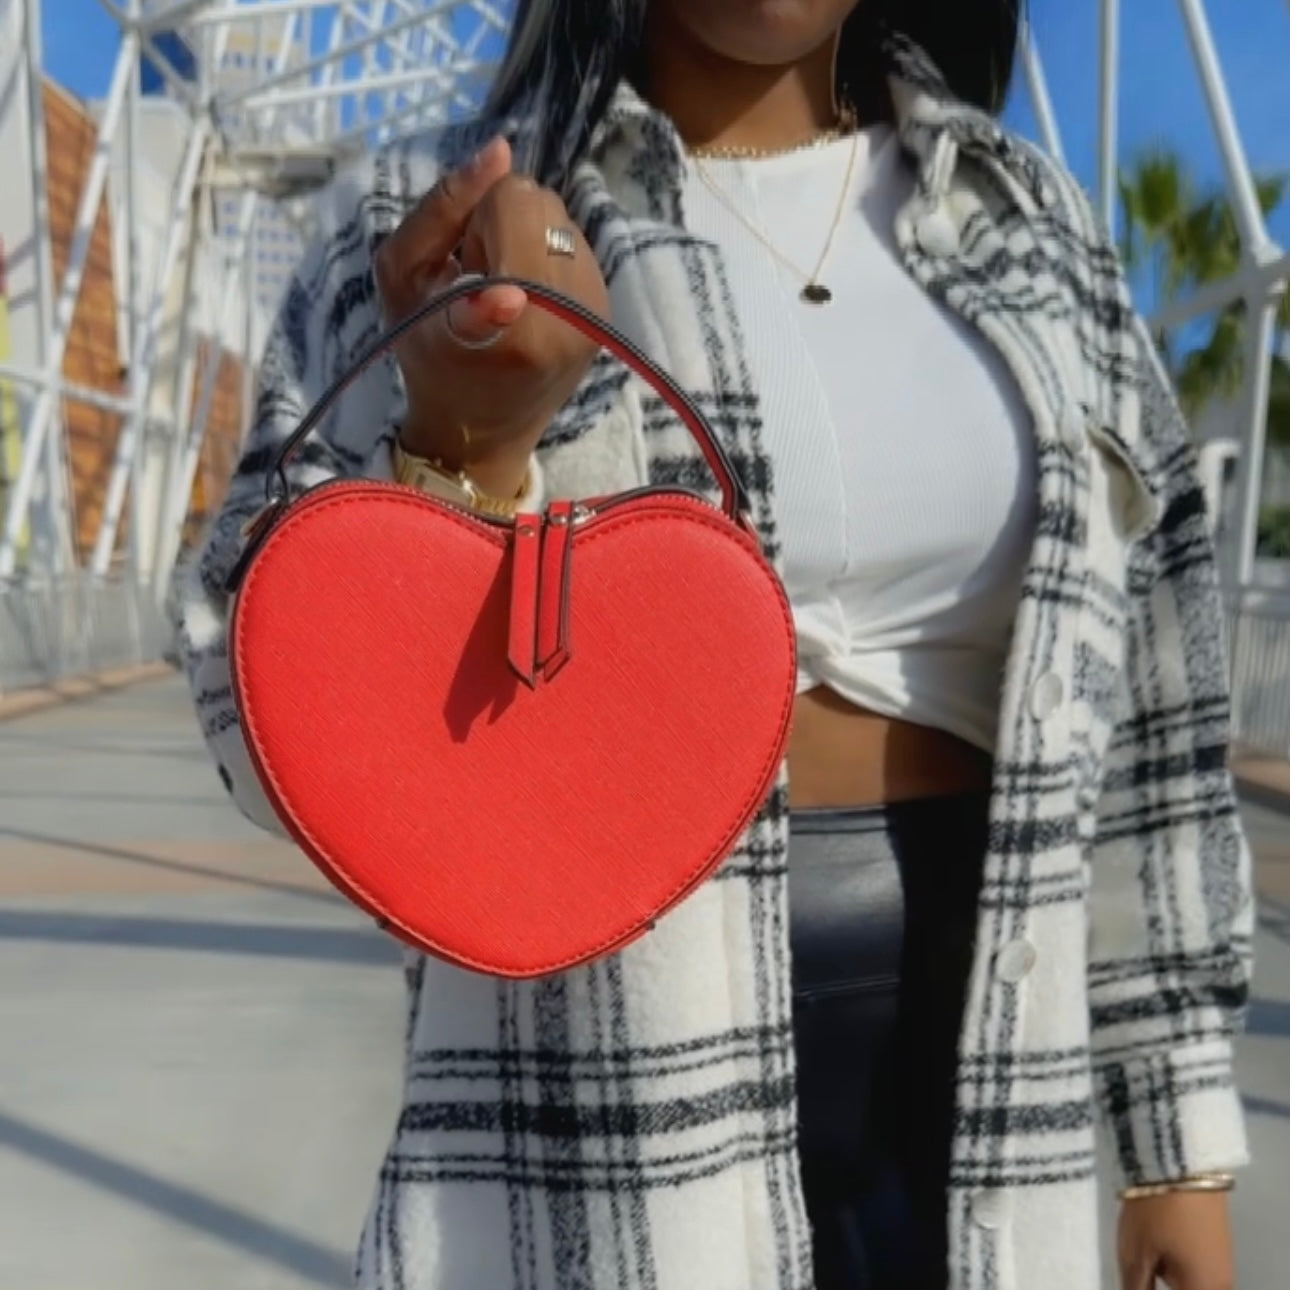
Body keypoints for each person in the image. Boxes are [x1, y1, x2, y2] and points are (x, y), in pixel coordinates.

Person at [174, 2, 1255, 1288]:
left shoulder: (1025, 222)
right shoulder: (442, 214)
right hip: (598, 1111)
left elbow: (1156, 690)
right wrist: (464, 444)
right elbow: (254, 712)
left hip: (992, 1079)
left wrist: (1174, 1134)